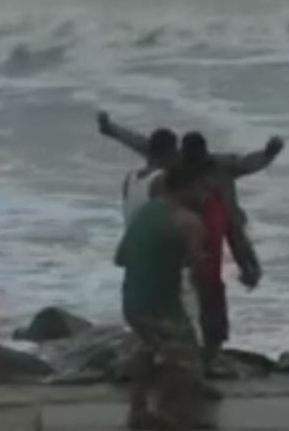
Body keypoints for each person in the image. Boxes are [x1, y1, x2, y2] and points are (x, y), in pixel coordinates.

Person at [98, 112, 285, 364]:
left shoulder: (218, 166)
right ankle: (195, 351)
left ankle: (204, 350)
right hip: (194, 231)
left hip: (220, 224)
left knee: (213, 287)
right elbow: (143, 144)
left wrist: (268, 154)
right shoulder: (178, 168)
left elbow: (247, 164)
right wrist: (111, 129)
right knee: (201, 290)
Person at [117, 168, 209, 431]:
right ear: (188, 189)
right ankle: (172, 418)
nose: (206, 195)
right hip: (162, 305)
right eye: (202, 189)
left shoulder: (145, 212)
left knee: (147, 349)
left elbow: (120, 258)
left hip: (132, 301)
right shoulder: (189, 222)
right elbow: (196, 273)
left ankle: (138, 411)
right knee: (187, 364)